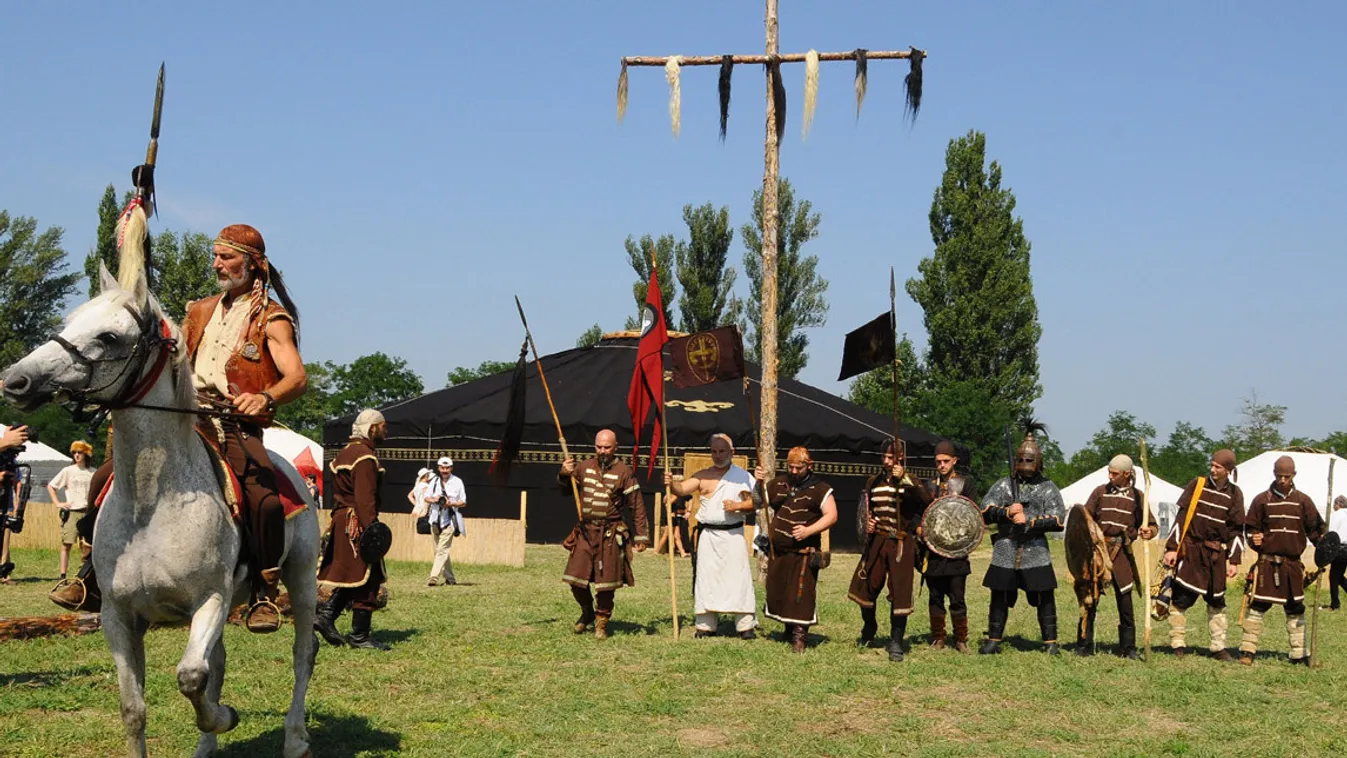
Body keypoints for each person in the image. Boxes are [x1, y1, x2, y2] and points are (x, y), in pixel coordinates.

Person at [50, 224, 308, 636]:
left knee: (265, 498)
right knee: (104, 478)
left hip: (233, 422)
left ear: (253, 264)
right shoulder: (200, 310)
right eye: (216, 256)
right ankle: (91, 576)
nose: (217, 264)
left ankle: (262, 588)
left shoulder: (270, 317)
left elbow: (296, 376)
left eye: (227, 257)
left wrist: (266, 399)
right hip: (184, 416)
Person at [979, 421, 1066, 655]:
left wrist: (1030, 522)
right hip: (1006, 547)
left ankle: (1050, 643)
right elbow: (985, 510)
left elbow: (1059, 520)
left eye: (1030, 460)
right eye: (1022, 460)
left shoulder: (1048, 488)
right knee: (999, 594)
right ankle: (994, 639)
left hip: (1035, 547)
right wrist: (1007, 512)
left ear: (1038, 461)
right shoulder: (1005, 485)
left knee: (1045, 595)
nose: (1025, 464)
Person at [559, 429, 649, 640]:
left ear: (615, 447)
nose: (602, 451)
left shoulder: (624, 472)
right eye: (599, 446)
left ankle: (601, 622)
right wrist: (564, 473)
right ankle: (587, 612)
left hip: (609, 534)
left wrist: (641, 536)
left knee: (606, 583)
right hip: (585, 532)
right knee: (575, 579)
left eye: (607, 447)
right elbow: (566, 489)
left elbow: (637, 506)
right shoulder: (583, 467)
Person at [664, 433, 757, 639]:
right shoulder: (703, 475)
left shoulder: (743, 477)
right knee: (707, 580)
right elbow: (681, 489)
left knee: (738, 579)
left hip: (733, 535)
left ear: (732, 452)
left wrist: (738, 505)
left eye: (722, 451)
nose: (717, 455)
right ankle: (705, 625)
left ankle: (745, 626)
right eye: (714, 451)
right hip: (708, 536)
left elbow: (757, 502)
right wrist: (671, 483)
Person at [847, 439, 931, 661]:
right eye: (883, 457)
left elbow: (925, 502)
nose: (885, 461)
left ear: (900, 458)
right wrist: (869, 522)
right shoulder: (873, 482)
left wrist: (903, 478)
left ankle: (896, 640)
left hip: (901, 542)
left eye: (890, 457)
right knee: (866, 585)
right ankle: (869, 626)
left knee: (900, 591)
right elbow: (867, 509)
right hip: (878, 541)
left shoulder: (910, 481)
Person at [1238, 455, 1325, 666]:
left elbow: (1316, 530)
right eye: (1279, 476)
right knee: (1257, 606)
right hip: (1267, 562)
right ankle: (1247, 650)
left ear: (1294, 475)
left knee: (1295, 608)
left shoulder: (1303, 501)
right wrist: (1253, 538)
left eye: (1286, 476)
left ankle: (1299, 653)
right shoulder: (1262, 500)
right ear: (1274, 474)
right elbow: (1250, 529)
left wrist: (1324, 544)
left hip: (1293, 565)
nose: (1282, 480)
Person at [315, 409, 390, 651]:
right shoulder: (364, 457)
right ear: (372, 429)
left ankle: (326, 616)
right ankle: (360, 637)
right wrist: (372, 531)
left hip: (343, 520)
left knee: (354, 577)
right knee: (370, 576)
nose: (385, 431)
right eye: (382, 426)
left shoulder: (345, 453)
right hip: (356, 523)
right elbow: (364, 498)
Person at [1163, 448, 1245, 660]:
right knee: (1180, 600)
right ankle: (1177, 644)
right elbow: (1181, 519)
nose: (1213, 469)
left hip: (1216, 557)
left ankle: (1218, 647)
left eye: (1218, 466)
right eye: (1212, 464)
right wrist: (1172, 548)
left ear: (1228, 470)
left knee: (1217, 603)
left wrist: (1234, 560)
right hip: (1192, 552)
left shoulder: (1235, 494)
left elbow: (1236, 531)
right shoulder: (1197, 485)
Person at [754, 446, 838, 653]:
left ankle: (799, 637)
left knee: (800, 594)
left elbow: (831, 515)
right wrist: (758, 482)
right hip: (780, 552)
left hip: (804, 552)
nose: (793, 471)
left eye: (797, 468)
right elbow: (758, 501)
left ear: (809, 466)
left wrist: (808, 530)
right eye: (790, 467)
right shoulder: (779, 483)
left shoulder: (820, 488)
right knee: (779, 590)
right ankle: (788, 628)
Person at [1078, 454, 1157, 659]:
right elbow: (1085, 518)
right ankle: (1084, 643)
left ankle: (1128, 647)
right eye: (1109, 472)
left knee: (1125, 600)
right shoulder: (1100, 492)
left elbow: (1152, 525)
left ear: (1126, 474)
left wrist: (1150, 532)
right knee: (1090, 598)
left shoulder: (1138, 497)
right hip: (1099, 552)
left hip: (1122, 551)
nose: (1110, 476)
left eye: (1114, 473)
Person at [922, 439, 978, 652]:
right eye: (938, 462)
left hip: (957, 553)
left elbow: (972, 514)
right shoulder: (928, 487)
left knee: (957, 597)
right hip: (934, 552)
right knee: (935, 597)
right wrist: (919, 528)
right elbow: (920, 514)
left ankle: (961, 638)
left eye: (946, 461)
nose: (941, 465)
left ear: (954, 461)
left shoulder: (966, 485)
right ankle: (938, 637)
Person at [48, 441, 95, 580]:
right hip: (72, 511)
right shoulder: (68, 471)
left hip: (87, 512)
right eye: (74, 452)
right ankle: (62, 576)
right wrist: (58, 503)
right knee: (66, 543)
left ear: (86, 454)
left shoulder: (93, 472)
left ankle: (86, 576)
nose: (77, 455)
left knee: (88, 546)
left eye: (79, 452)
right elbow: (51, 486)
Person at [423, 456, 467, 587]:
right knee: (440, 551)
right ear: (439, 468)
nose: (445, 470)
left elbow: (463, 502)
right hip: (435, 520)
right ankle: (450, 578)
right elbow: (426, 497)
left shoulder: (458, 482)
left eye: (447, 468)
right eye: (442, 468)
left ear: (451, 468)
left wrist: (450, 503)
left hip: (450, 521)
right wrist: (435, 499)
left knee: (442, 550)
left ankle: (433, 577)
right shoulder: (434, 481)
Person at [1329, 496, 1347, 612]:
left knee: (1334, 577)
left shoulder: (1337, 515)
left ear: (1338, 504)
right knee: (1339, 575)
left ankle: (1335, 605)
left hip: (1340, 548)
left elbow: (1331, 532)